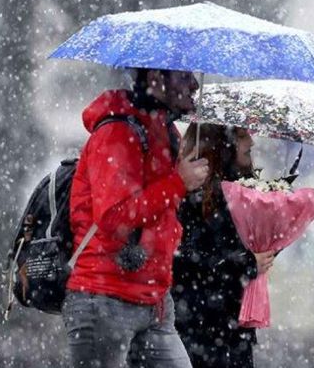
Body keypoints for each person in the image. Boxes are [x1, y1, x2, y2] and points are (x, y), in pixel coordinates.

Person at [64, 68, 209, 367]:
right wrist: (178, 183)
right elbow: (115, 218)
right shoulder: (117, 132)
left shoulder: (165, 132)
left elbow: (159, 213)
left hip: (154, 301)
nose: (194, 84)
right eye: (184, 77)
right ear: (156, 77)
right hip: (104, 298)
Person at [172, 123, 276, 368]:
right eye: (243, 141)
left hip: (229, 327)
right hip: (198, 326)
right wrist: (246, 263)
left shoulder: (243, 192)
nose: (251, 145)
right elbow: (182, 260)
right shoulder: (191, 194)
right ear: (224, 145)